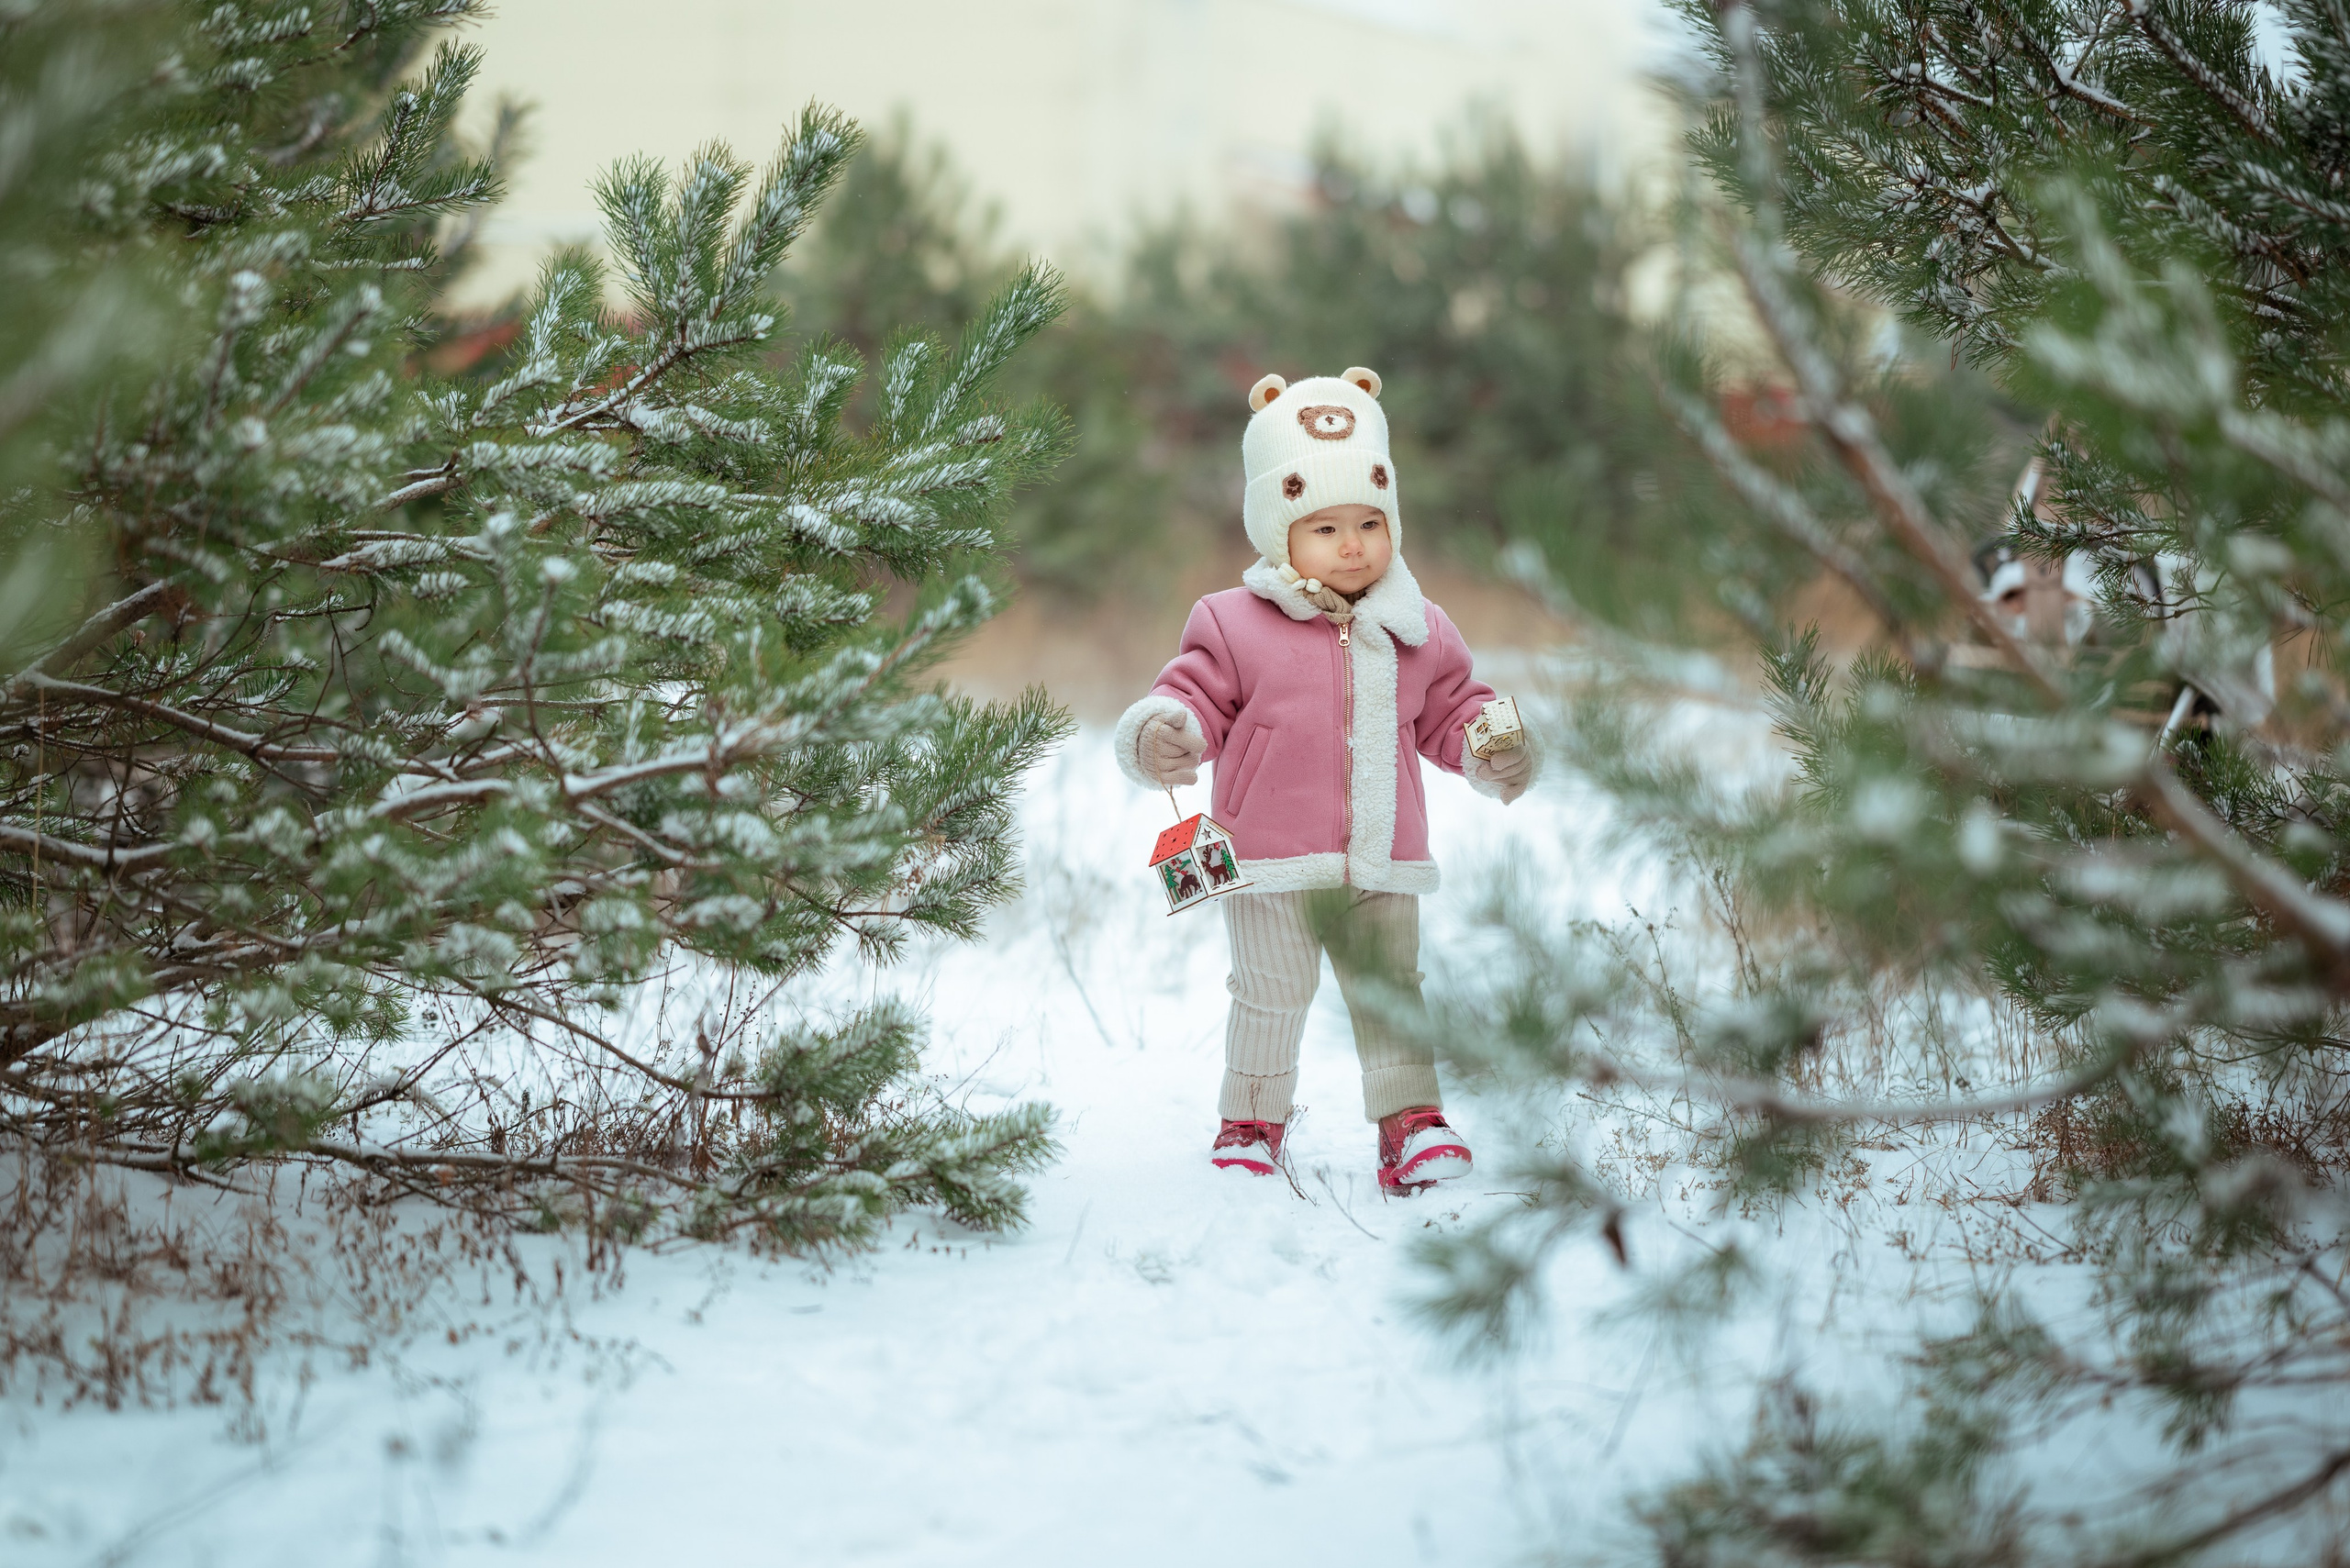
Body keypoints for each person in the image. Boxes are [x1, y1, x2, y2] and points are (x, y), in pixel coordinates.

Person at [1112, 367, 1534, 1194]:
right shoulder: (1230, 622)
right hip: (1267, 859)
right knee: (1269, 992)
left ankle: (1410, 1122)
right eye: (1326, 527)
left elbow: (1453, 711)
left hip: (1381, 859)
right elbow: (1192, 693)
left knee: (1390, 992)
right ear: (1280, 531)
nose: (1353, 546)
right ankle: (1252, 1121)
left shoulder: (1418, 627)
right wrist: (1168, 733)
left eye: (1371, 523)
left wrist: (1492, 749)